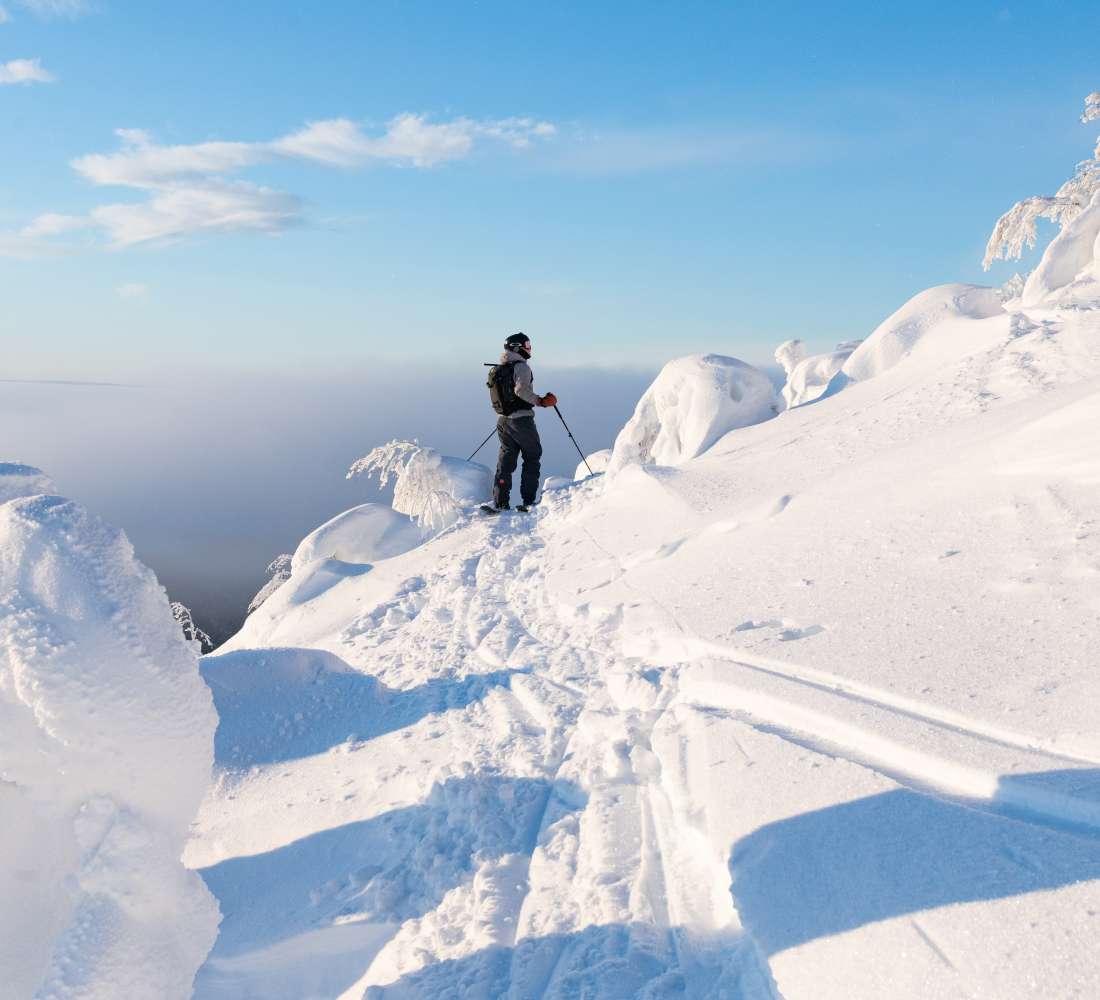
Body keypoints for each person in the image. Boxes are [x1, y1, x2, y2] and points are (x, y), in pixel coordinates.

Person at [487, 333, 557, 512]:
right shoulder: (522, 367)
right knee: (532, 456)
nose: (529, 348)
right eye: (527, 344)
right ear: (517, 347)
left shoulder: (499, 368)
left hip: (503, 421)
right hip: (521, 421)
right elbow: (521, 391)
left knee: (507, 459)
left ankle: (500, 502)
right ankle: (528, 502)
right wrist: (541, 401)